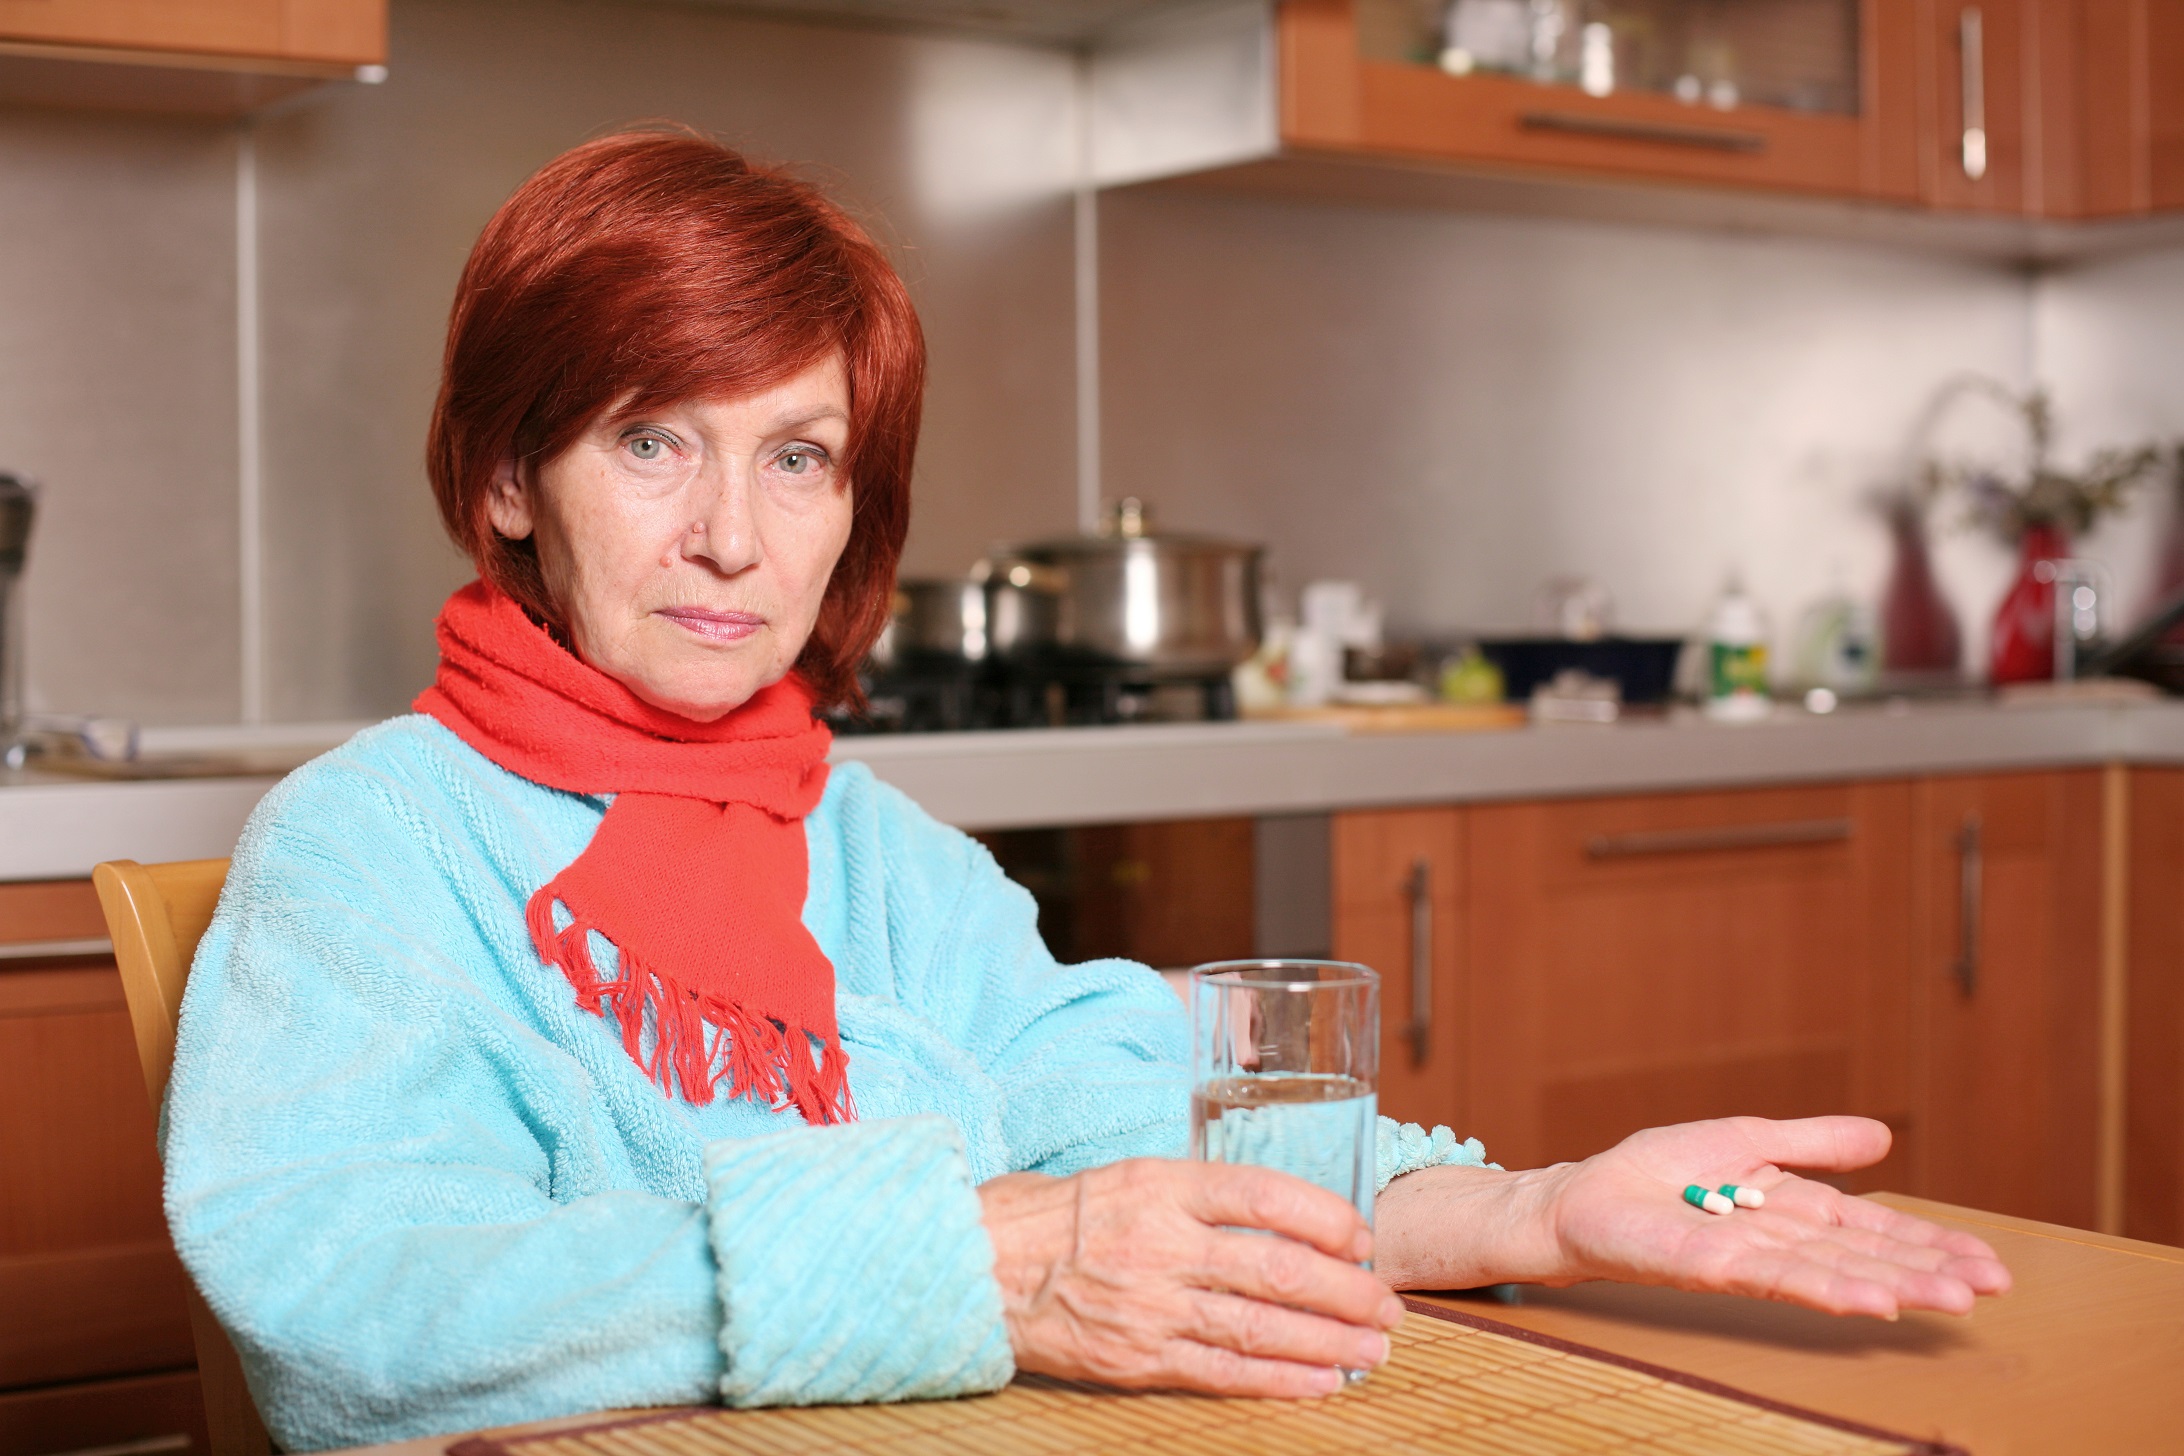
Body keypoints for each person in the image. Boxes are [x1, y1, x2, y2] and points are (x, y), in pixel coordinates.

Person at [161, 130, 2010, 1453]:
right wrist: (982, 1257)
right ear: (509, 475)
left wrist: (1534, 1215)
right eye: (655, 442)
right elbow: (355, 1321)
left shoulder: (879, 852)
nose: (731, 537)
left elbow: (1129, 1129)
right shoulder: (369, 842)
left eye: (798, 456)